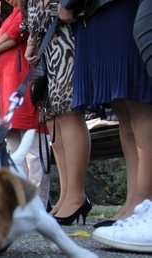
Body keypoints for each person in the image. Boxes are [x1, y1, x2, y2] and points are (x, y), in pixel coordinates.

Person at [59, 0, 152, 251]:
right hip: (92, 11)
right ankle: (133, 201)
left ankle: (145, 199)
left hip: (116, 6)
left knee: (139, 100)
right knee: (122, 107)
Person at [22, 0, 92, 224]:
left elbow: (54, 7)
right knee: (52, 118)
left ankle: (76, 195)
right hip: (47, 43)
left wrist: (48, 16)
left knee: (67, 111)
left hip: (64, 35)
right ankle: (66, 194)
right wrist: (33, 41)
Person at [0, 0, 50, 208]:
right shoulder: (11, 14)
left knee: (33, 148)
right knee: (14, 147)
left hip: (23, 82)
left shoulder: (26, 9)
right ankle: (20, 201)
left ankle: (38, 202)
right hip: (6, 90)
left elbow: (16, 35)